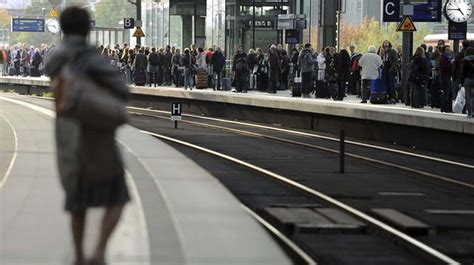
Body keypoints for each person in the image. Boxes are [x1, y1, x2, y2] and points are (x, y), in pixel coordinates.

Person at [44, 6, 129, 265]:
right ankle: (100, 250)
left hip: (67, 131)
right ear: (87, 29)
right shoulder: (91, 56)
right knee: (117, 194)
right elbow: (120, 88)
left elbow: (48, 69)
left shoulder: (56, 57)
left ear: (64, 28)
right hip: (96, 133)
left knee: (77, 199)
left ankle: (79, 255)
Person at [460, 47, 474, 118]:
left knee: (468, 96)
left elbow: (463, 72)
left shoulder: (465, 60)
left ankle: (469, 113)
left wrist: (461, 82)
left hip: (467, 79)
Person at [439, 45, 453, 112]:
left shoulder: (447, 57)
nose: (448, 51)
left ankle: (447, 108)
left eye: (449, 49)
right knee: (446, 93)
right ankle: (445, 108)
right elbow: (445, 68)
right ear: (444, 51)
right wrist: (451, 64)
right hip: (445, 77)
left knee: (448, 92)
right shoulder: (444, 58)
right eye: (447, 49)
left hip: (447, 76)